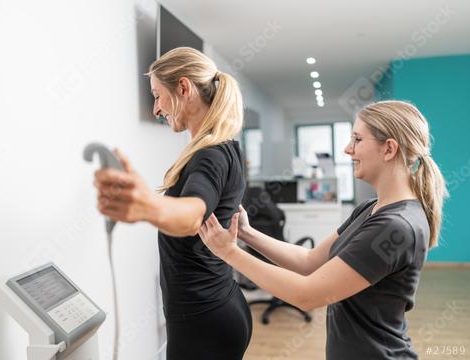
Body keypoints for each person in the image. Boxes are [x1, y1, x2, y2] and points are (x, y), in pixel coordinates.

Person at [198, 100, 448, 359]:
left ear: (389, 149)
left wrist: (230, 253)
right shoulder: (371, 208)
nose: (347, 149)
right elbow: (309, 262)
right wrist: (247, 233)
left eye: (357, 139)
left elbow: (307, 296)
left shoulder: (396, 227)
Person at [93, 47, 252, 360]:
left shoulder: (209, 156)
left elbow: (193, 213)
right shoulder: (227, 148)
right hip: (221, 305)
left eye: (157, 95)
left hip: (202, 320)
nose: (156, 109)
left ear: (183, 88)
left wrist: (148, 206)